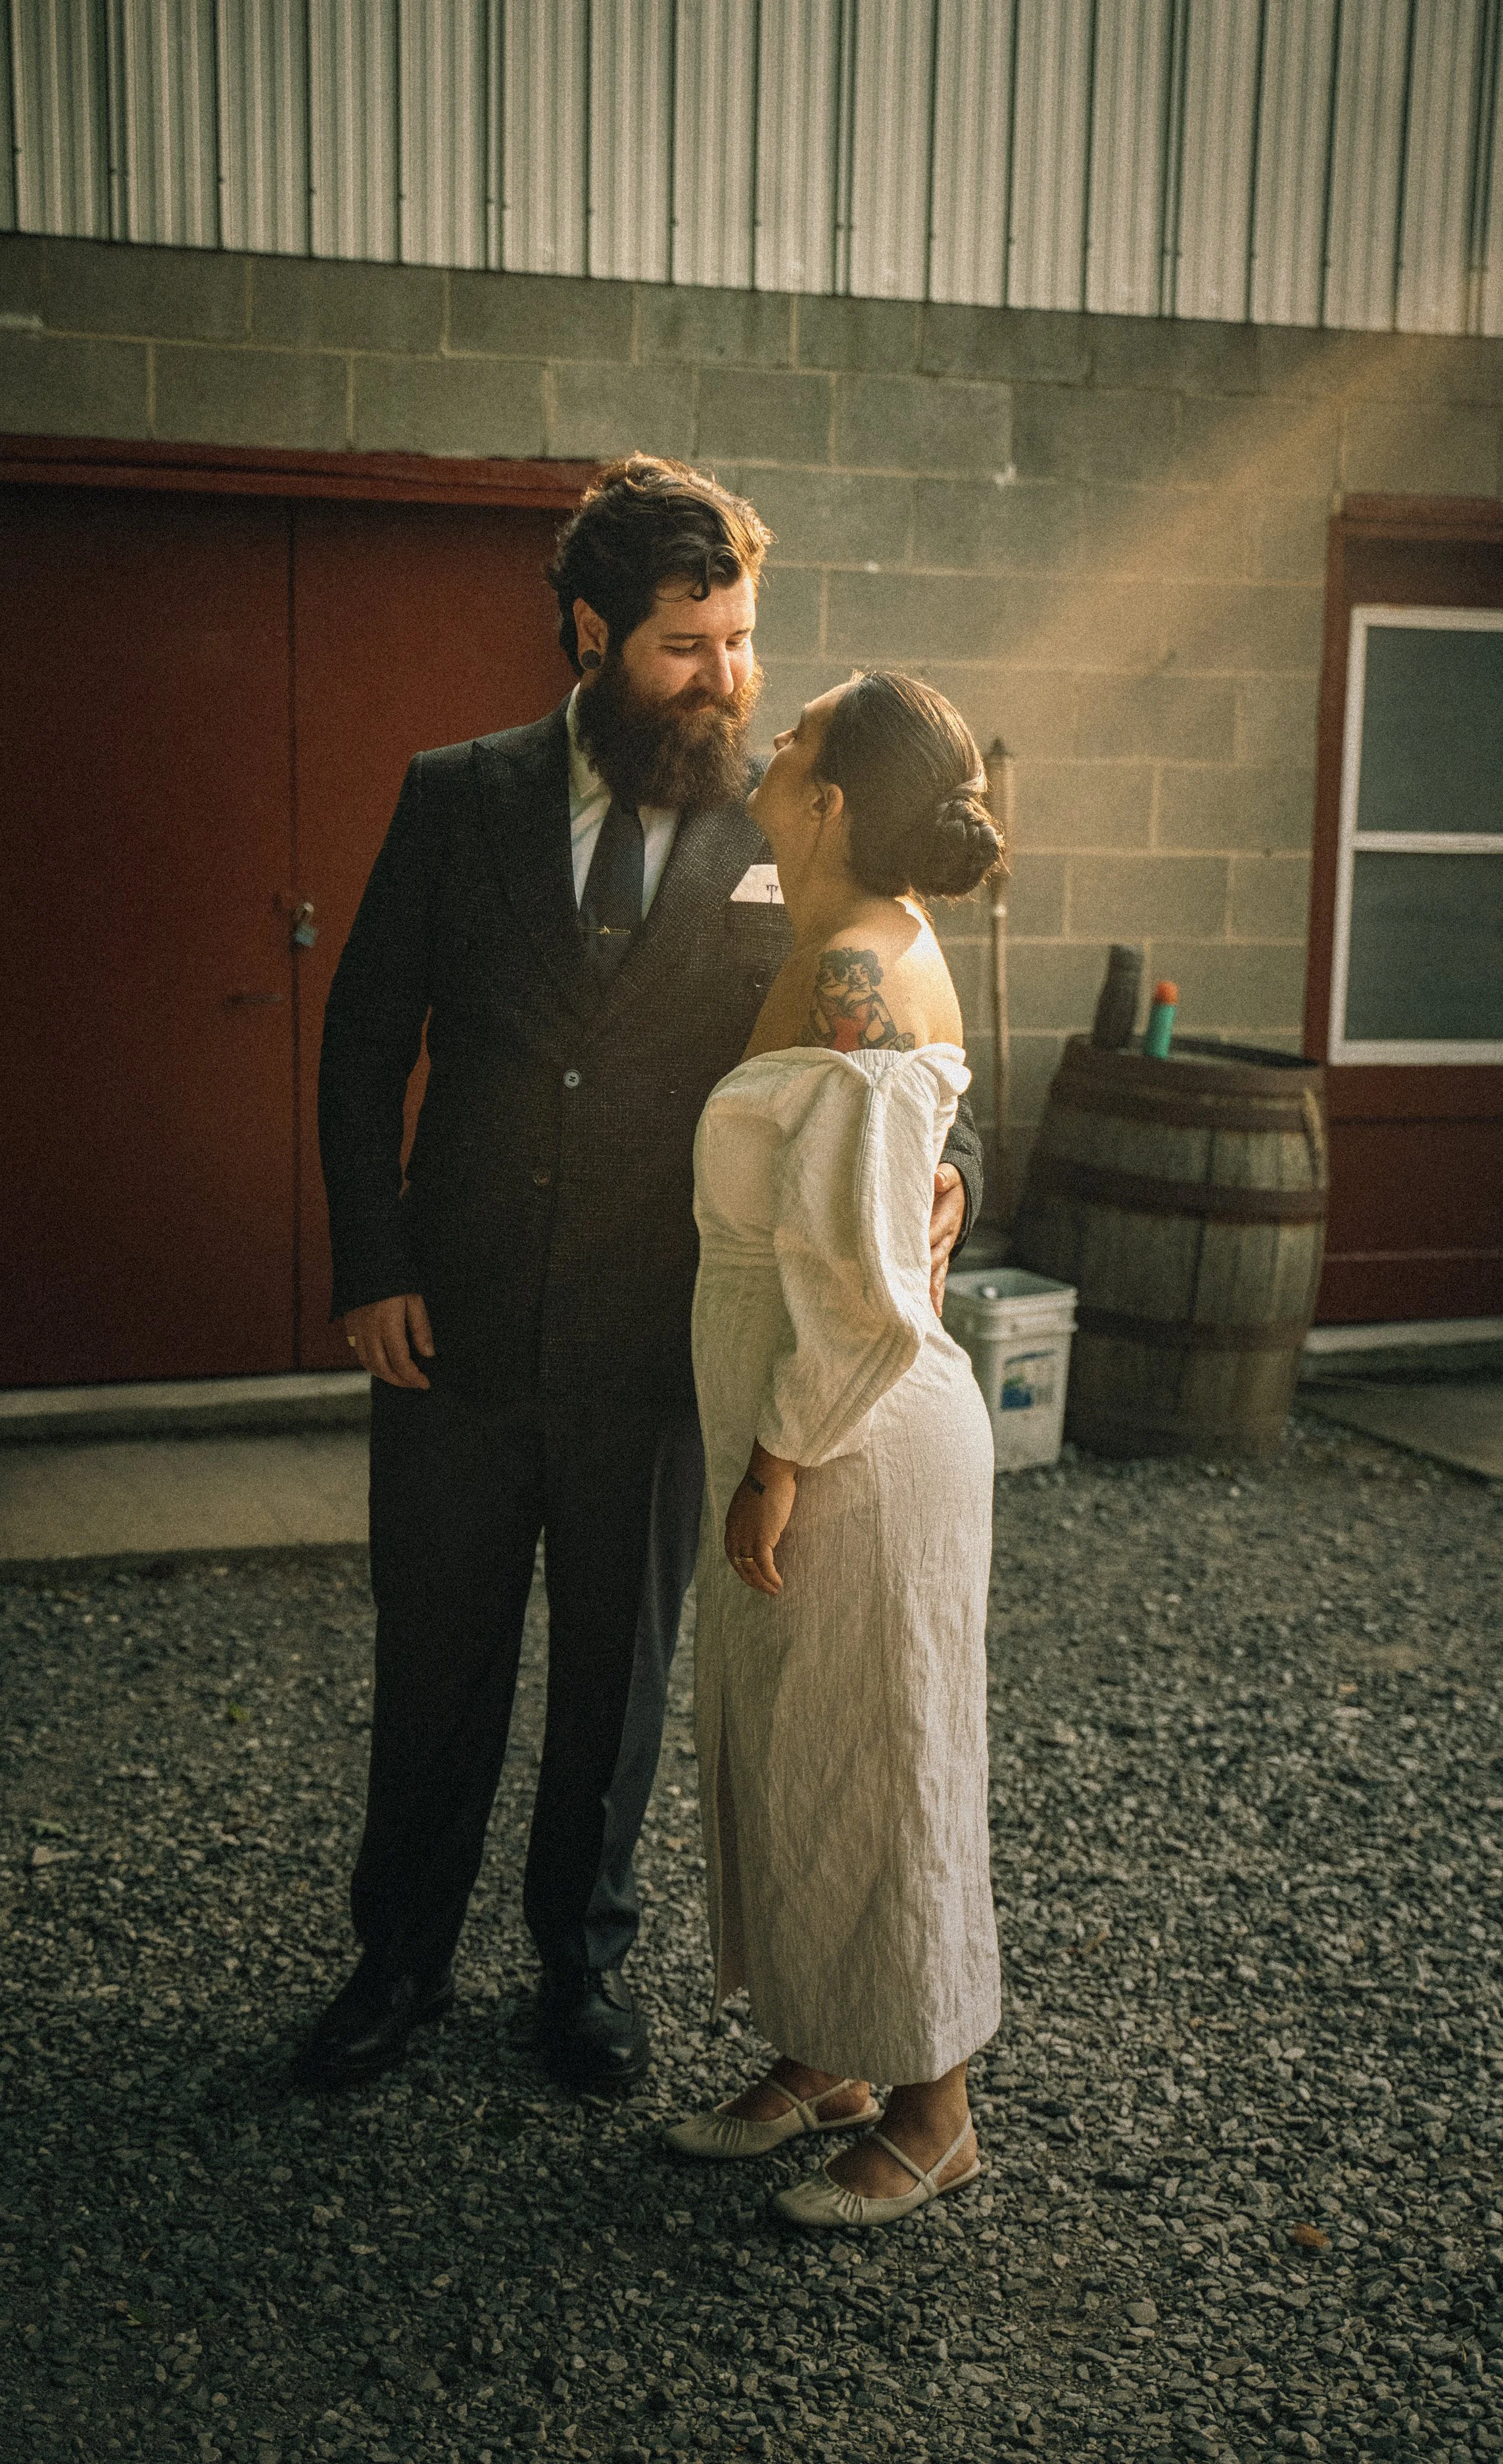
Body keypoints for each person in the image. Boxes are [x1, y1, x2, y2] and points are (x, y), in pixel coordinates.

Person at [300, 460, 986, 2097]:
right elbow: (357, 1041)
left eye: (742, 640)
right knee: (436, 1661)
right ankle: (395, 1963)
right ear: (593, 630)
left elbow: (910, 1016)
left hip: (662, 1344)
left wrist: (953, 1175)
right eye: (689, 646)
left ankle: (578, 1974)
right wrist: (372, 1257)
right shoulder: (454, 794)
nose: (729, 679)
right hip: (448, 1326)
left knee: (616, 1679)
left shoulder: (790, 823)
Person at [665, 671, 1003, 2227]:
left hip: (851, 1432)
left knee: (884, 1749)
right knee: (793, 1739)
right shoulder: (818, 934)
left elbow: (863, 1272)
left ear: (833, 799)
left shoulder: (858, 969)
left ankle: (936, 2109)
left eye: (794, 734)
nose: (769, 738)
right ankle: (828, 2050)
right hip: (804, 1412)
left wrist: (778, 1452)